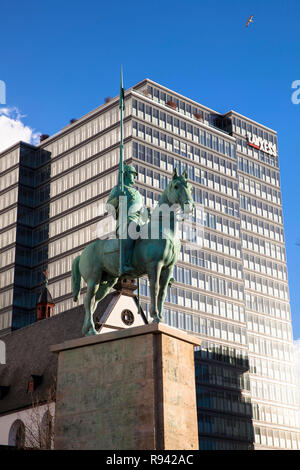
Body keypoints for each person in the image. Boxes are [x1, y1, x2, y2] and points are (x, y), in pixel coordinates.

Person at [106, 164, 144, 273]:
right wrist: (118, 197)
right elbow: (108, 206)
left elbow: (140, 210)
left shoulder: (137, 193)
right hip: (125, 222)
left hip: (139, 222)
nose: (135, 178)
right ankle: (125, 263)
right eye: (133, 174)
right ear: (126, 174)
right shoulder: (118, 189)